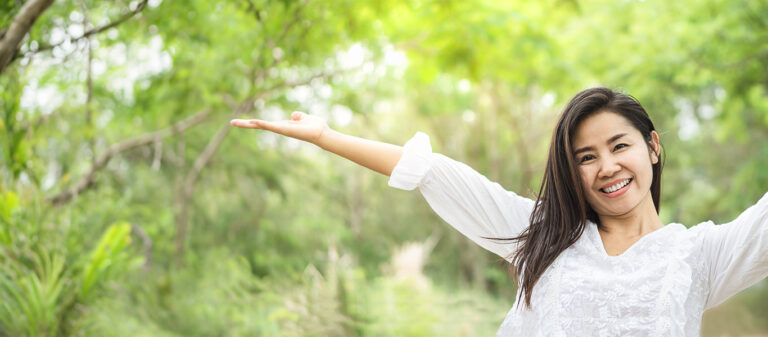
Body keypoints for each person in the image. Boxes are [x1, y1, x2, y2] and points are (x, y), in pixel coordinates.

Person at [230, 87, 768, 336]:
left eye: (619, 146)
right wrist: (325, 136)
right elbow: (438, 174)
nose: (606, 166)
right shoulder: (545, 236)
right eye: (586, 156)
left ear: (651, 147)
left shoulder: (700, 253)